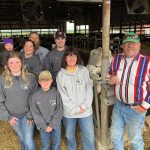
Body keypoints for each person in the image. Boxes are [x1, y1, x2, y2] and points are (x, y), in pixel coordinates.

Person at [108, 32, 150, 150]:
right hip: (118, 106)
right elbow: (109, 72)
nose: (130, 46)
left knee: (135, 140)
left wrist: (145, 106)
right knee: (115, 137)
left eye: (133, 43)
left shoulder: (147, 62)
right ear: (122, 46)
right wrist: (111, 77)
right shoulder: (117, 58)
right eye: (127, 43)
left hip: (136, 109)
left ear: (139, 45)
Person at [56, 47, 95, 150]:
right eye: (69, 55)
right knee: (69, 135)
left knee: (89, 136)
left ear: (77, 57)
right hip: (69, 112)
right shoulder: (61, 75)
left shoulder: (84, 71)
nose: (71, 58)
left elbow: (89, 90)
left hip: (85, 111)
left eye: (74, 55)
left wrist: (84, 106)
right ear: (65, 58)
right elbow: (62, 95)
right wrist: (75, 109)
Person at [0, 52, 38, 150]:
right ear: (7, 65)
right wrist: (8, 117)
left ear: (22, 63)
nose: (14, 65)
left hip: (27, 115)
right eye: (11, 63)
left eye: (17, 62)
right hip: (13, 117)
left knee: (28, 139)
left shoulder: (31, 77)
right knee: (22, 137)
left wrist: (31, 114)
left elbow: (35, 98)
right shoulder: (2, 80)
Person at [30, 70, 63, 150]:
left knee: (56, 144)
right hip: (43, 126)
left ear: (51, 81)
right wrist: (44, 126)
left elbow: (59, 110)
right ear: (39, 82)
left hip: (56, 125)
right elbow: (35, 113)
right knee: (45, 146)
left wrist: (52, 125)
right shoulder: (34, 96)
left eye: (47, 80)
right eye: (42, 80)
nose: (45, 82)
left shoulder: (56, 93)